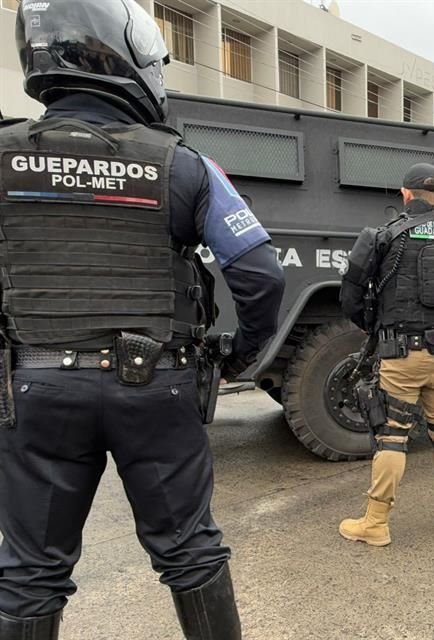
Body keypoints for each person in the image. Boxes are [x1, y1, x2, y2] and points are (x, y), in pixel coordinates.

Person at [0, 1, 285, 638]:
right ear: (125, 57)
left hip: (34, 386)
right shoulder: (184, 164)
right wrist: (240, 354)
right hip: (158, 385)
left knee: (29, 570)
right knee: (189, 551)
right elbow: (262, 275)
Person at [339, 162, 434, 546]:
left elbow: (350, 297)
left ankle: (376, 523)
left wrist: (372, 326)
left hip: (402, 354)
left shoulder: (384, 237)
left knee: (392, 436)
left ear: (405, 195)